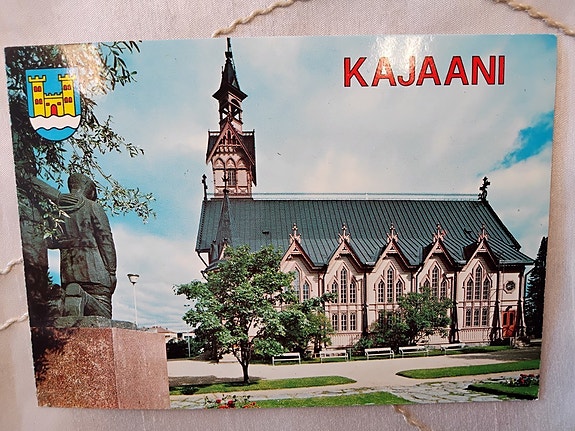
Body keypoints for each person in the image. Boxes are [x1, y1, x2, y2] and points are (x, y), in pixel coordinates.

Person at [30, 173, 117, 318]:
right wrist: (111, 272)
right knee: (104, 314)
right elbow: (105, 240)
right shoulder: (93, 207)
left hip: (68, 274)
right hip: (96, 274)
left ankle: (59, 298)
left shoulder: (57, 213)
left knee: (72, 311)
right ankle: (82, 296)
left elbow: (50, 242)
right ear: (91, 191)